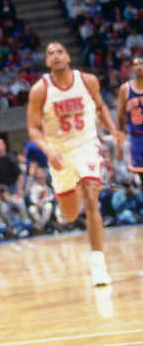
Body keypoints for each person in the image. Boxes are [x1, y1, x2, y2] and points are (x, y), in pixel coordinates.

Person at [27, 40, 120, 286]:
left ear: (68, 57)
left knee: (91, 195)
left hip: (87, 146)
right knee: (69, 214)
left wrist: (113, 133)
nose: (56, 56)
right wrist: (47, 149)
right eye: (50, 53)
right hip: (59, 154)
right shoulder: (40, 90)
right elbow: (33, 128)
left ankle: (98, 263)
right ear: (47, 62)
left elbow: (101, 108)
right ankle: (73, 192)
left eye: (60, 51)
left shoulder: (88, 81)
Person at [116, 53, 143, 186]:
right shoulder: (125, 89)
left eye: (141, 64)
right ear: (132, 68)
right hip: (136, 138)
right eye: (136, 64)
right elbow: (120, 119)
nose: (139, 67)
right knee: (140, 178)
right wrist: (118, 145)